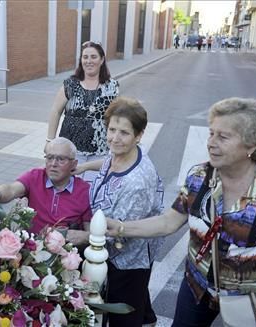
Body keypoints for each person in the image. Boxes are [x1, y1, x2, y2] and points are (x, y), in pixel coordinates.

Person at [104, 98, 256, 326]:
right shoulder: (200, 176)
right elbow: (169, 222)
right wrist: (121, 227)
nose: (211, 143)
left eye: (223, 137)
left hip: (249, 299)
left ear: (252, 145)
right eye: (211, 133)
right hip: (196, 287)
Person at [71, 97, 163, 326]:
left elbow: (122, 233)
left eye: (124, 132)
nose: (114, 138)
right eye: (111, 129)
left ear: (139, 136)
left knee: (125, 309)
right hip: (115, 247)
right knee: (138, 295)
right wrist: (83, 166)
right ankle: (148, 318)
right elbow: (109, 160)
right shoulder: (123, 154)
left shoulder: (136, 183)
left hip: (129, 258)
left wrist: (82, 237)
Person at [47, 41, 119, 183]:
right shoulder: (70, 84)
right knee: (68, 190)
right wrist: (49, 141)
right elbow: (55, 111)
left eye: (93, 57)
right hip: (70, 151)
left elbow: (115, 119)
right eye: (85, 57)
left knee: (91, 193)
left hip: (99, 152)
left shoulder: (112, 86)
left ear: (102, 59)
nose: (89, 61)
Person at [0, 137, 91, 235]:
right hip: (32, 248)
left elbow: (90, 231)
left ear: (74, 164)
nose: (53, 164)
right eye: (49, 158)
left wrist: (85, 237)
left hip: (66, 249)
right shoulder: (35, 177)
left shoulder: (85, 190)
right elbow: (12, 190)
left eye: (61, 159)